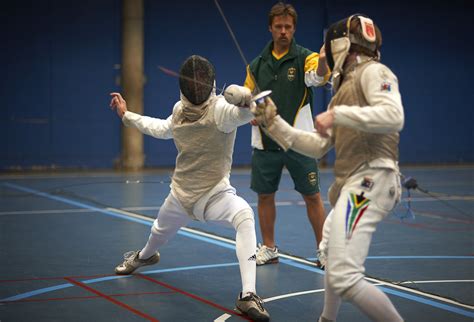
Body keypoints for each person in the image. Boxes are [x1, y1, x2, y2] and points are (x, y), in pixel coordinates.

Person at [251, 14, 405, 322]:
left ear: (341, 46)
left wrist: (339, 115)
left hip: (372, 180)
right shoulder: (344, 88)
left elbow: (393, 115)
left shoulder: (374, 72)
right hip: (354, 183)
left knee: (346, 277)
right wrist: (274, 123)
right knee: (332, 255)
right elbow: (317, 145)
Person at [109, 55, 270, 321]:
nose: (197, 86)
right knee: (157, 234)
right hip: (181, 195)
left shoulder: (220, 110)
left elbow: (243, 114)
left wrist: (250, 102)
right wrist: (127, 116)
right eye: (194, 82)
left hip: (215, 194)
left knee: (244, 216)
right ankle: (144, 257)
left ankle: (248, 295)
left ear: (211, 83)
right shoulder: (179, 111)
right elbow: (161, 128)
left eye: (201, 81)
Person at [244, 1, 330, 266]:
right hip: (265, 144)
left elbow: (317, 77)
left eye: (288, 27)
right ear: (270, 28)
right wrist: (251, 114)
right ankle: (269, 248)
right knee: (265, 196)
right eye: (279, 26)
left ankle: (324, 250)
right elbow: (248, 100)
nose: (283, 31)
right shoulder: (256, 65)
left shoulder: (306, 57)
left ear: (294, 29)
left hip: (299, 143)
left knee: (313, 196)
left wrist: (326, 59)